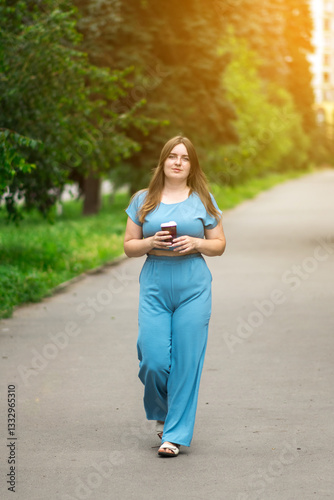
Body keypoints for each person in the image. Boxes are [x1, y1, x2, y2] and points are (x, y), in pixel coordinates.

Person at [123, 136, 226, 457]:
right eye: (172, 156)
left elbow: (219, 244)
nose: (178, 162)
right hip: (155, 282)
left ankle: (174, 434)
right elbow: (129, 246)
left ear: (192, 165)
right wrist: (150, 241)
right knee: (153, 359)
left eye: (185, 158)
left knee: (186, 362)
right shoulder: (143, 200)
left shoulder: (203, 199)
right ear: (163, 161)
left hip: (192, 284)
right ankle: (163, 412)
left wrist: (196, 244)